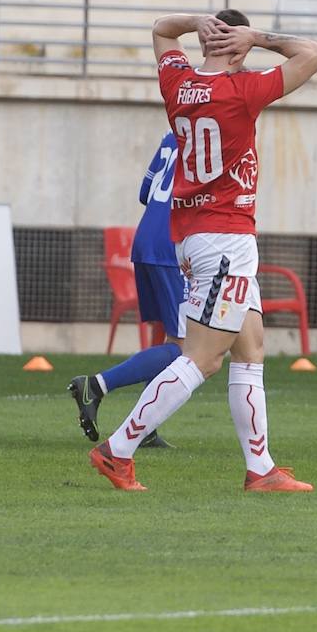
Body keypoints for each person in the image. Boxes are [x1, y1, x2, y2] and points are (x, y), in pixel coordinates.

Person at [88, 10, 317, 493]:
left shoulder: (178, 84)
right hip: (224, 238)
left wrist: (196, 20)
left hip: (198, 234)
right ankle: (118, 450)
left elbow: (159, 28)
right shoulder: (244, 91)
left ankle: (261, 469)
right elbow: (314, 53)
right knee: (201, 358)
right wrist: (258, 37)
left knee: (250, 348)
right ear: (238, 48)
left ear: (203, 44)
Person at [67, 131, 186, 449]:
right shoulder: (213, 131)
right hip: (174, 247)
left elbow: (146, 192)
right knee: (186, 350)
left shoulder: (172, 135)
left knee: (163, 337)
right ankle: (97, 385)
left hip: (146, 238)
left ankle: (145, 428)